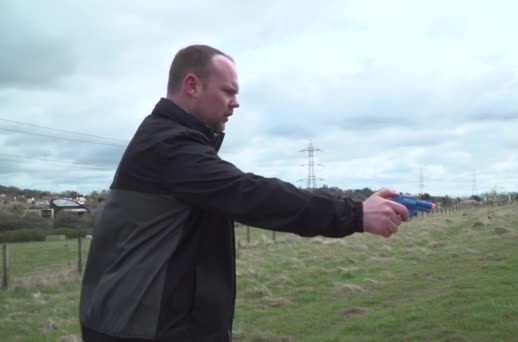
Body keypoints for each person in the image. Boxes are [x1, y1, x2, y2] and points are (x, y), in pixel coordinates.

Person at [79, 44, 409, 342]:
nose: (236, 103)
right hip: (140, 329)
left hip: (151, 323)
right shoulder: (170, 146)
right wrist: (356, 214)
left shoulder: (172, 141)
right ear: (192, 85)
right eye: (228, 91)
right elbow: (250, 194)